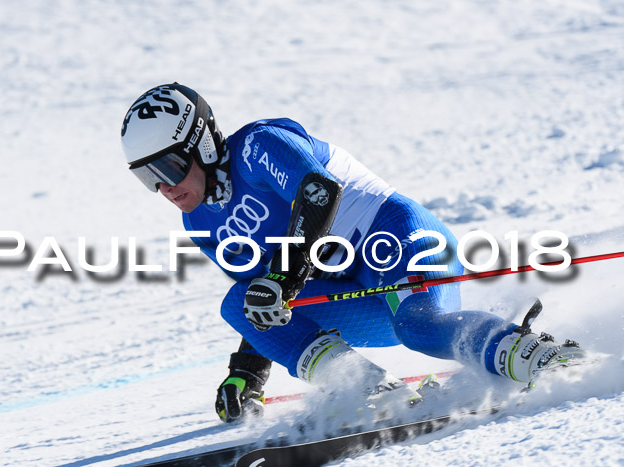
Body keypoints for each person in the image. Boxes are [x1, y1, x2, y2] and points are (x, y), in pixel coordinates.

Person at [120, 83, 584, 423]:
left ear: (199, 142)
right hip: (356, 292)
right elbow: (268, 296)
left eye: (168, 166)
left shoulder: (257, 146)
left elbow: (319, 191)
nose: (164, 187)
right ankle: (367, 390)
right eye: (148, 177)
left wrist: (285, 272)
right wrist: (247, 372)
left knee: (417, 326)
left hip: (397, 238)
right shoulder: (200, 223)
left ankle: (535, 354)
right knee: (238, 302)